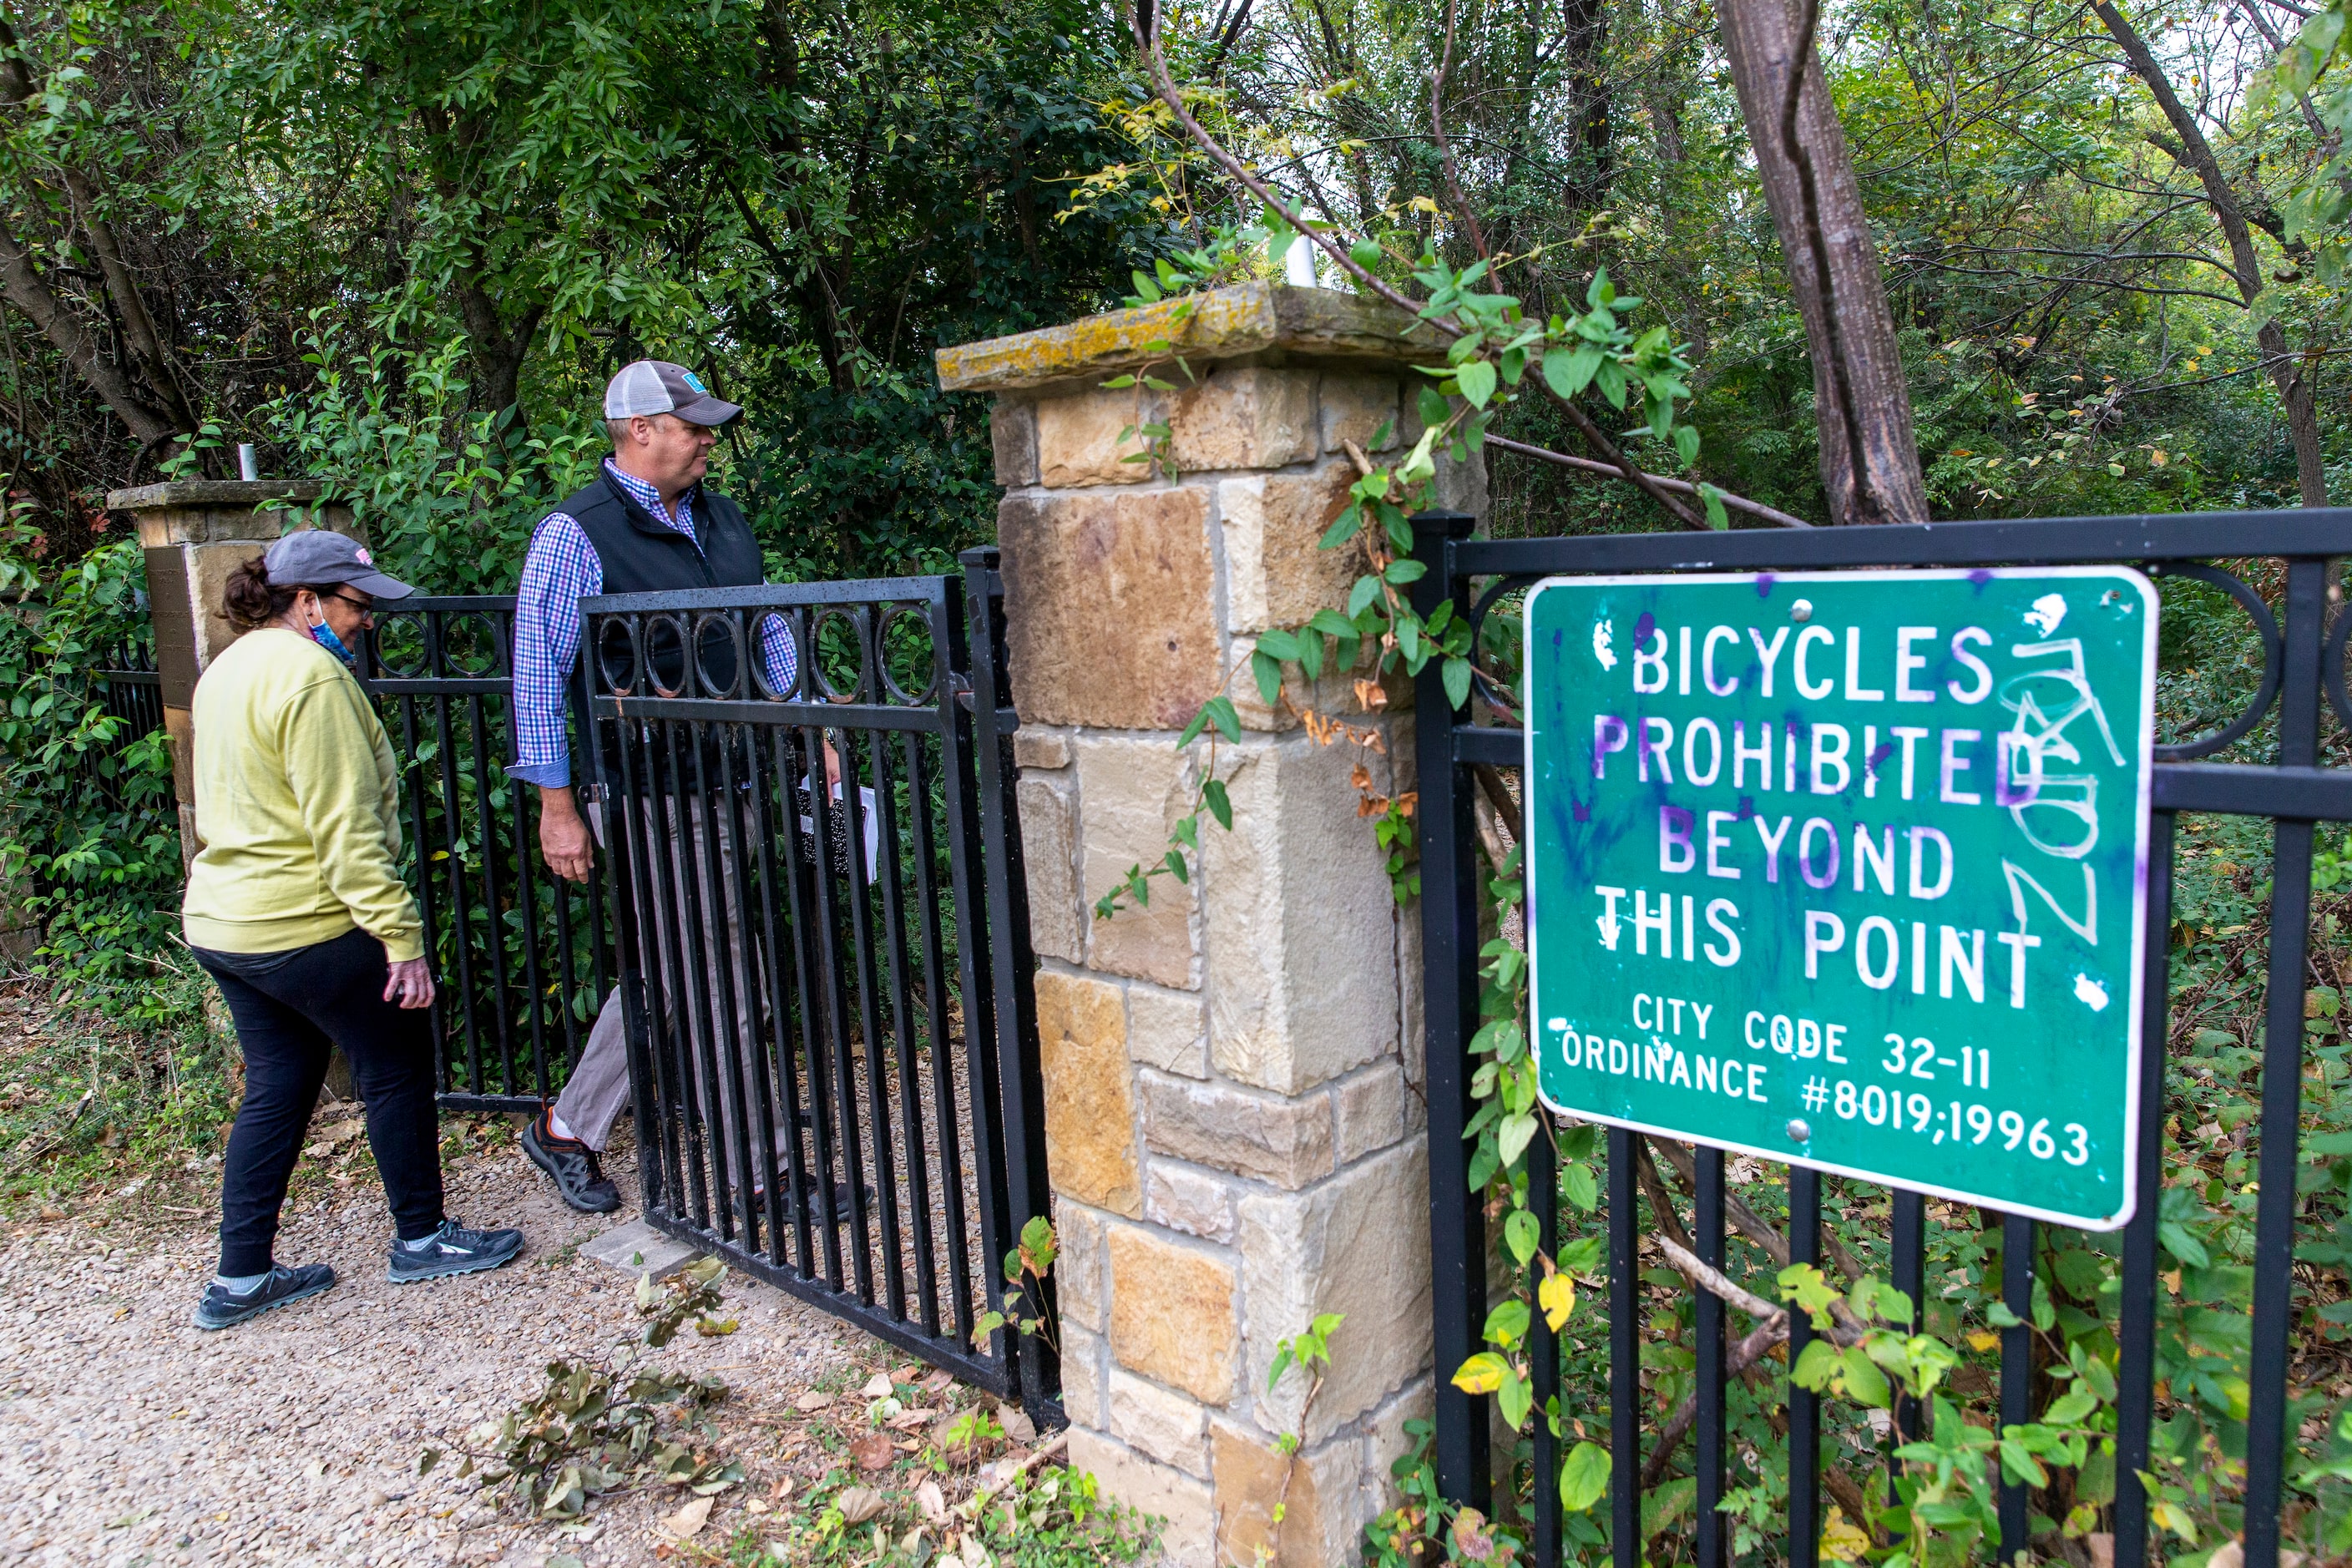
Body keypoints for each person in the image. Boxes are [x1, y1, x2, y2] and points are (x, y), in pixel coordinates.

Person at [184, 529, 525, 1332]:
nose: (366, 621)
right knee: (398, 1065)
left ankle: (240, 1279)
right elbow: (345, 832)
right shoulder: (312, 678)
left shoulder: (227, 668)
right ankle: (421, 1238)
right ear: (307, 602)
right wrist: (399, 938)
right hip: (306, 921)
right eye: (357, 605)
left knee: (277, 1083)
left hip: (227, 920)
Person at [509, 361, 803, 1214]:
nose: (709, 438)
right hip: (650, 791)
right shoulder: (576, 534)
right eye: (693, 425)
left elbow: (767, 626)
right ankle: (764, 1169)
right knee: (719, 968)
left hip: (735, 777)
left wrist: (808, 727)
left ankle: (565, 1128)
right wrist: (556, 805)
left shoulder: (720, 516)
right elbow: (537, 675)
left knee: (670, 968)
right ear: (641, 431)